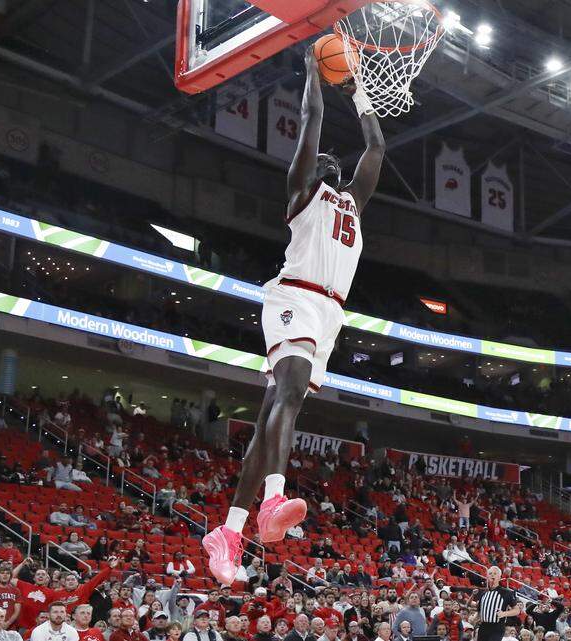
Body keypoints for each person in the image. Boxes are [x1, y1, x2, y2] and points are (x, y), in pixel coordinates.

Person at [202, 42, 385, 586]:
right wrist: (312, 70)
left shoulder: (353, 201)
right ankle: (274, 499)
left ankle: (228, 532)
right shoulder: (301, 193)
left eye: (333, 159)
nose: (328, 158)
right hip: (295, 298)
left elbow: (376, 146)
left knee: (268, 421)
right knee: (289, 394)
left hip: (329, 315)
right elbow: (310, 117)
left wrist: (357, 90)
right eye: (321, 158)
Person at [471, 567, 521, 641]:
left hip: (497, 627)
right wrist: (474, 619)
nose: (492, 575)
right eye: (490, 573)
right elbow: (479, 612)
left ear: (499, 577)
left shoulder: (506, 592)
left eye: (495, 573)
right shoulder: (483, 594)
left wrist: (504, 613)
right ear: (487, 577)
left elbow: (517, 610)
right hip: (483, 626)